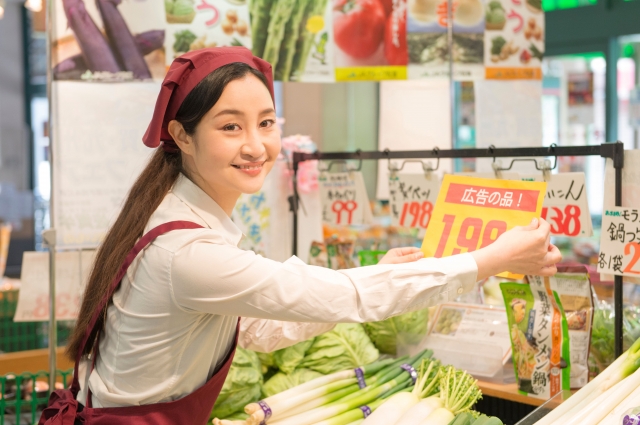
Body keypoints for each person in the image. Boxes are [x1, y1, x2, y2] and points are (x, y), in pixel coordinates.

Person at [45, 47, 561, 425]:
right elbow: (346, 298)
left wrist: (381, 273)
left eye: (266, 122)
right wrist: (491, 258)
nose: (256, 145)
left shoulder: (181, 217)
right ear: (181, 135)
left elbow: (253, 328)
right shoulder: (187, 252)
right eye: (230, 127)